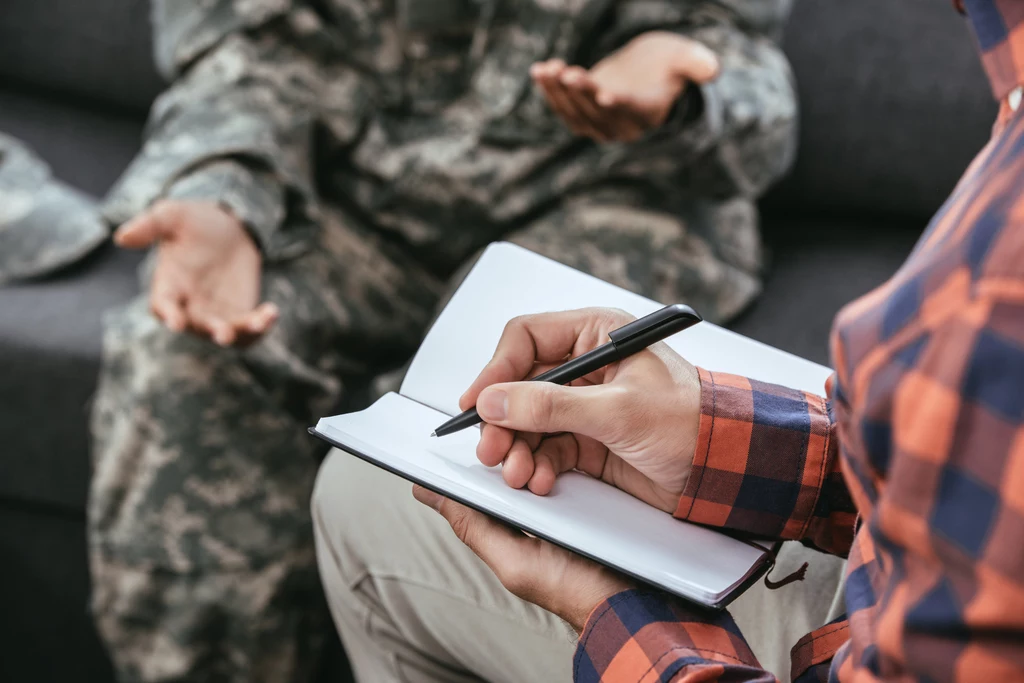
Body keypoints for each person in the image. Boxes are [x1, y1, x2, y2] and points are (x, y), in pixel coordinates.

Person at [312, 0, 1024, 681]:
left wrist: (609, 608)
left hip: (868, 631)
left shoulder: (987, 304)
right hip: (893, 568)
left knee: (367, 497)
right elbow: (968, 479)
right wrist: (720, 439)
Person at [87, 0, 798, 681]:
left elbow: (748, 87)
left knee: (471, 432)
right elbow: (253, 49)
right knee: (182, 350)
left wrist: (681, 90)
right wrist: (223, 190)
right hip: (353, 201)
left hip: (608, 199)